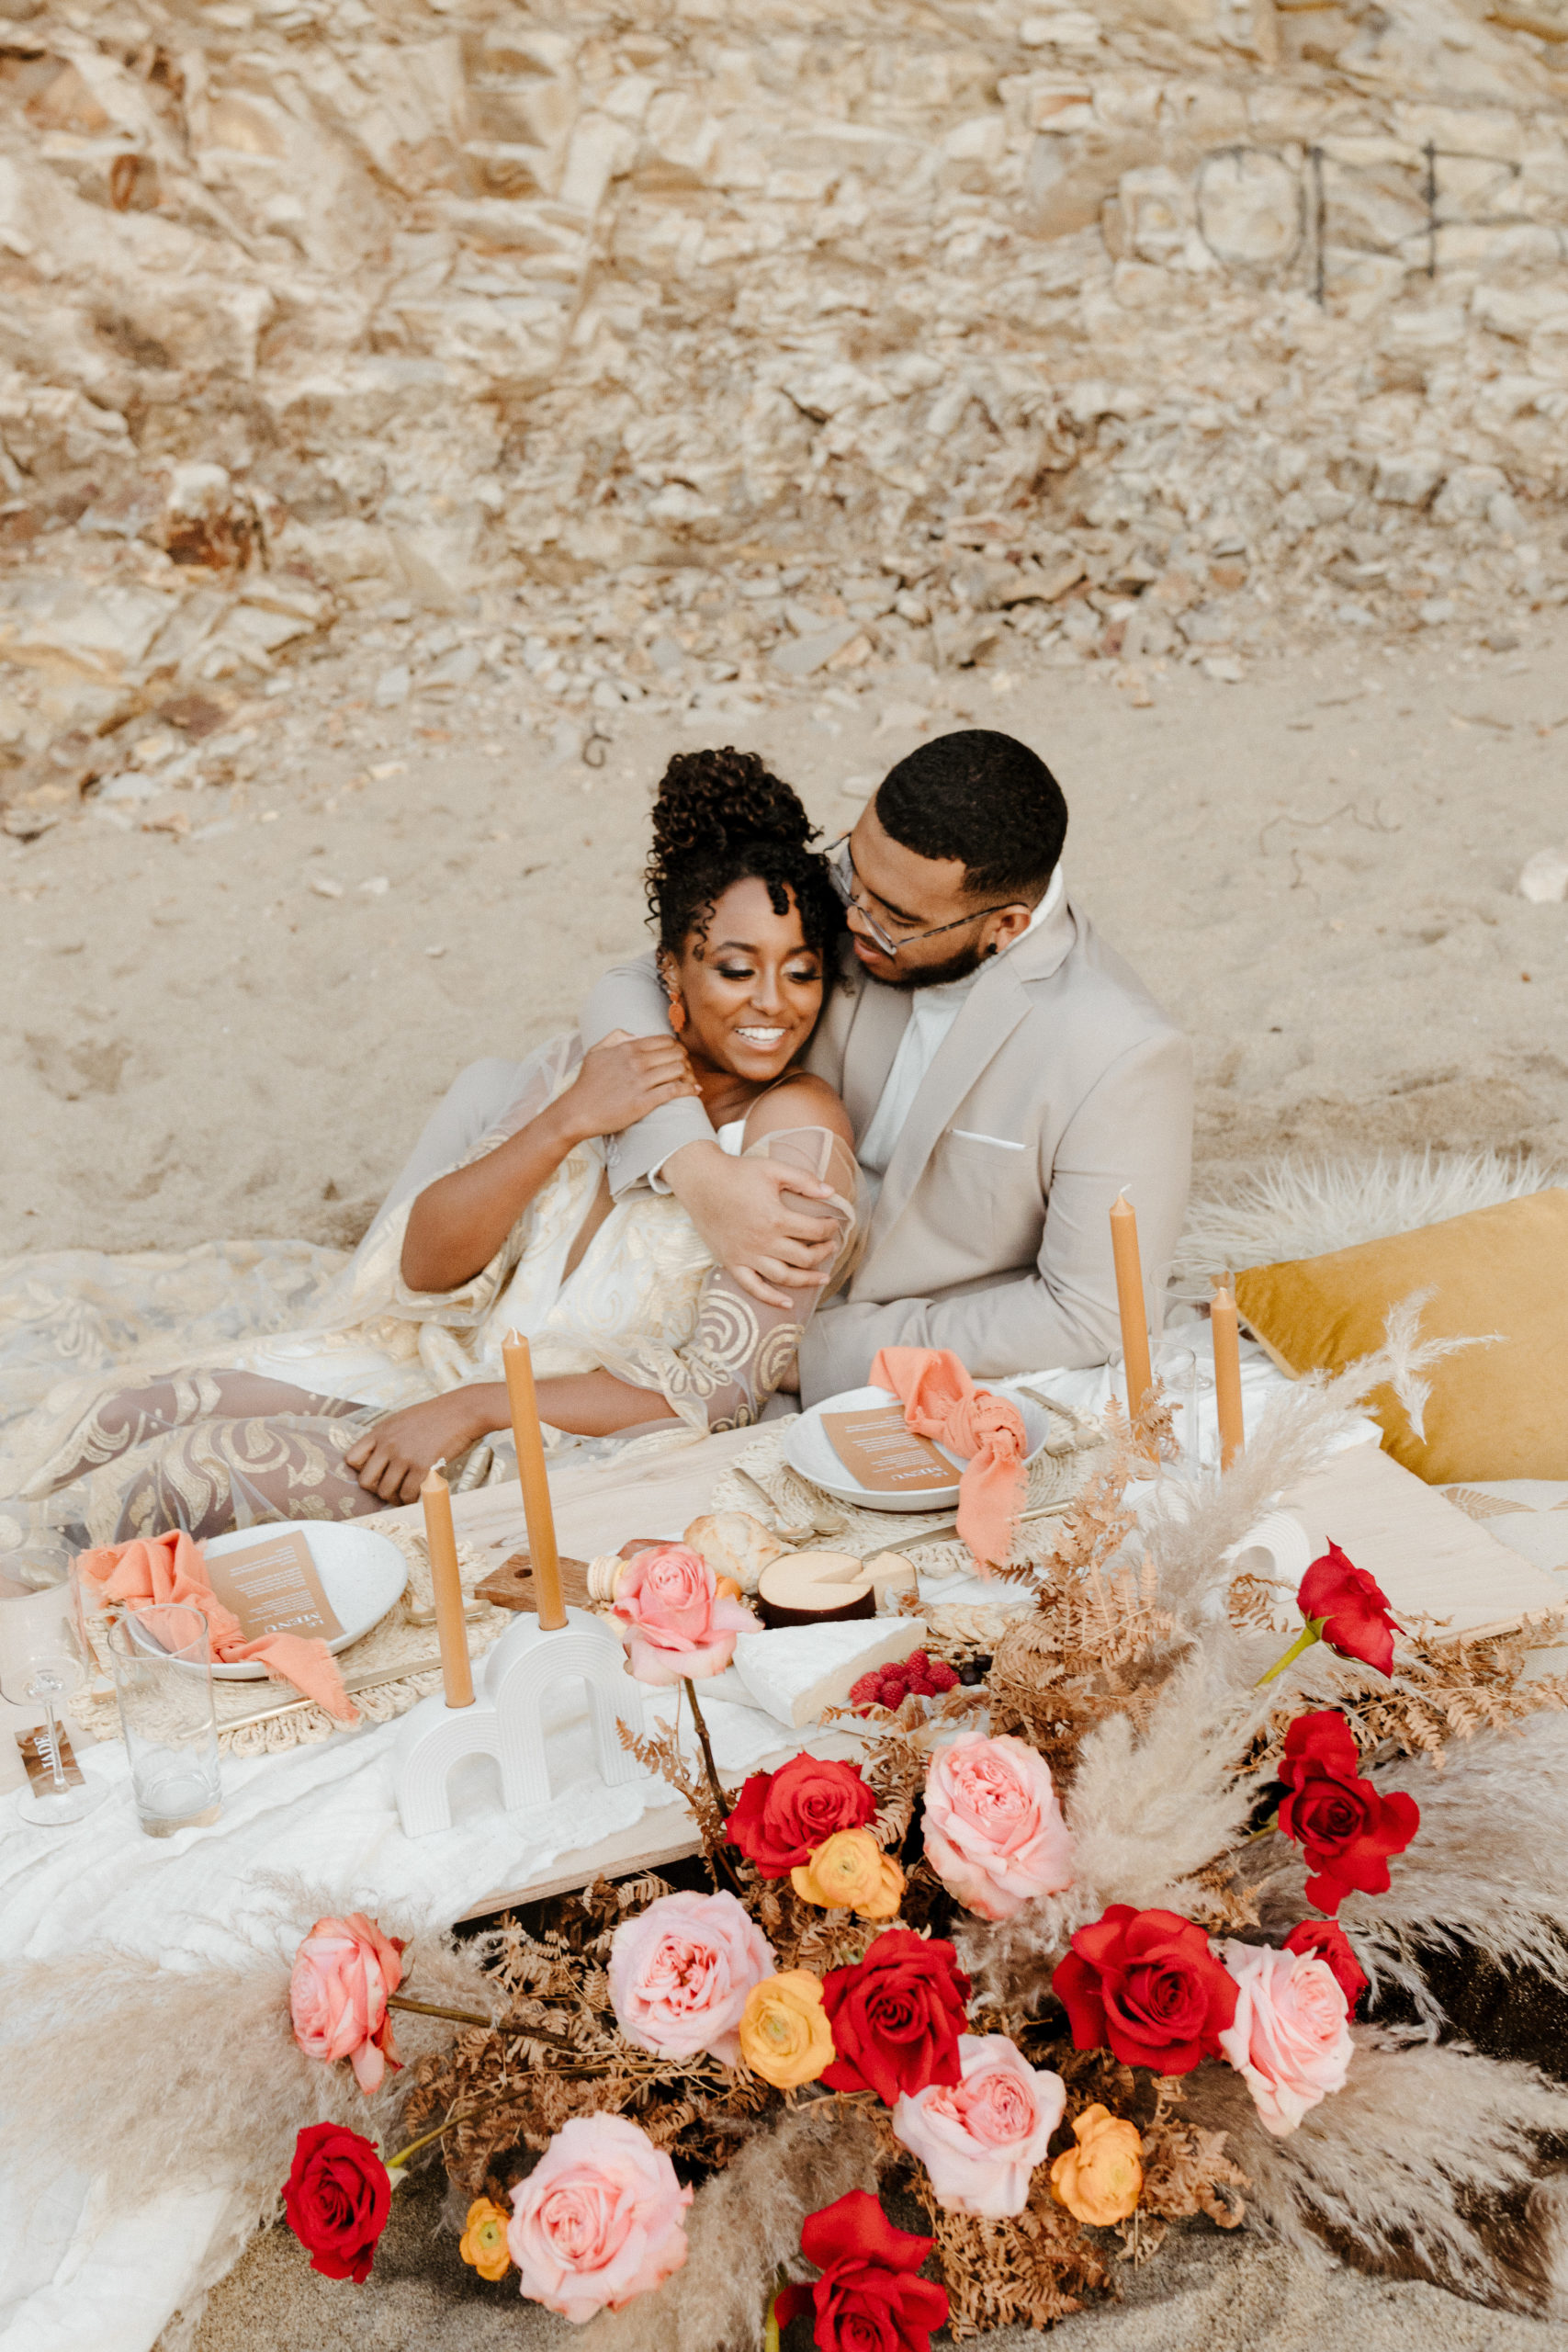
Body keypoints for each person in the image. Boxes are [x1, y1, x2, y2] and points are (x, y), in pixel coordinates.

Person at [0, 752, 856, 1577]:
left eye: (803, 974)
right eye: (736, 969)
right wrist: (564, 1122)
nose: (772, 1005)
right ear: (669, 969)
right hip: (445, 1365)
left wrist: (478, 1409)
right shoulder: (593, 1068)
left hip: (566, 1452)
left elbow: (719, 1395)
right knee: (122, 1411)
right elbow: (429, 1268)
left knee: (191, 1473)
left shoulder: (795, 1126)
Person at [582, 727, 1192, 1404]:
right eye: (852, 868)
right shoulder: (860, 895)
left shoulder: (1120, 1054)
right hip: (695, 1271)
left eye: (893, 917)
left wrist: (811, 1354)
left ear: (1006, 926)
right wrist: (699, 1172)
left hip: (870, 1365)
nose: (850, 915)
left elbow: (1094, 1312)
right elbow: (632, 984)